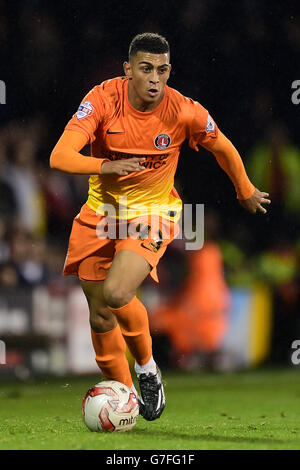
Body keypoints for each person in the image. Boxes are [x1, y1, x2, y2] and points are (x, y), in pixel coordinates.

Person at [50, 32, 270, 421]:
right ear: (128, 70)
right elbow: (60, 156)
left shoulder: (184, 111)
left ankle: (148, 369)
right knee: (100, 314)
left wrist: (245, 189)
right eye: (146, 68)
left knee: (117, 293)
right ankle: (125, 402)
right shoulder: (102, 99)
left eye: (163, 70)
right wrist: (105, 165)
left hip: (153, 213)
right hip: (101, 213)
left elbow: (224, 146)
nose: (155, 78)